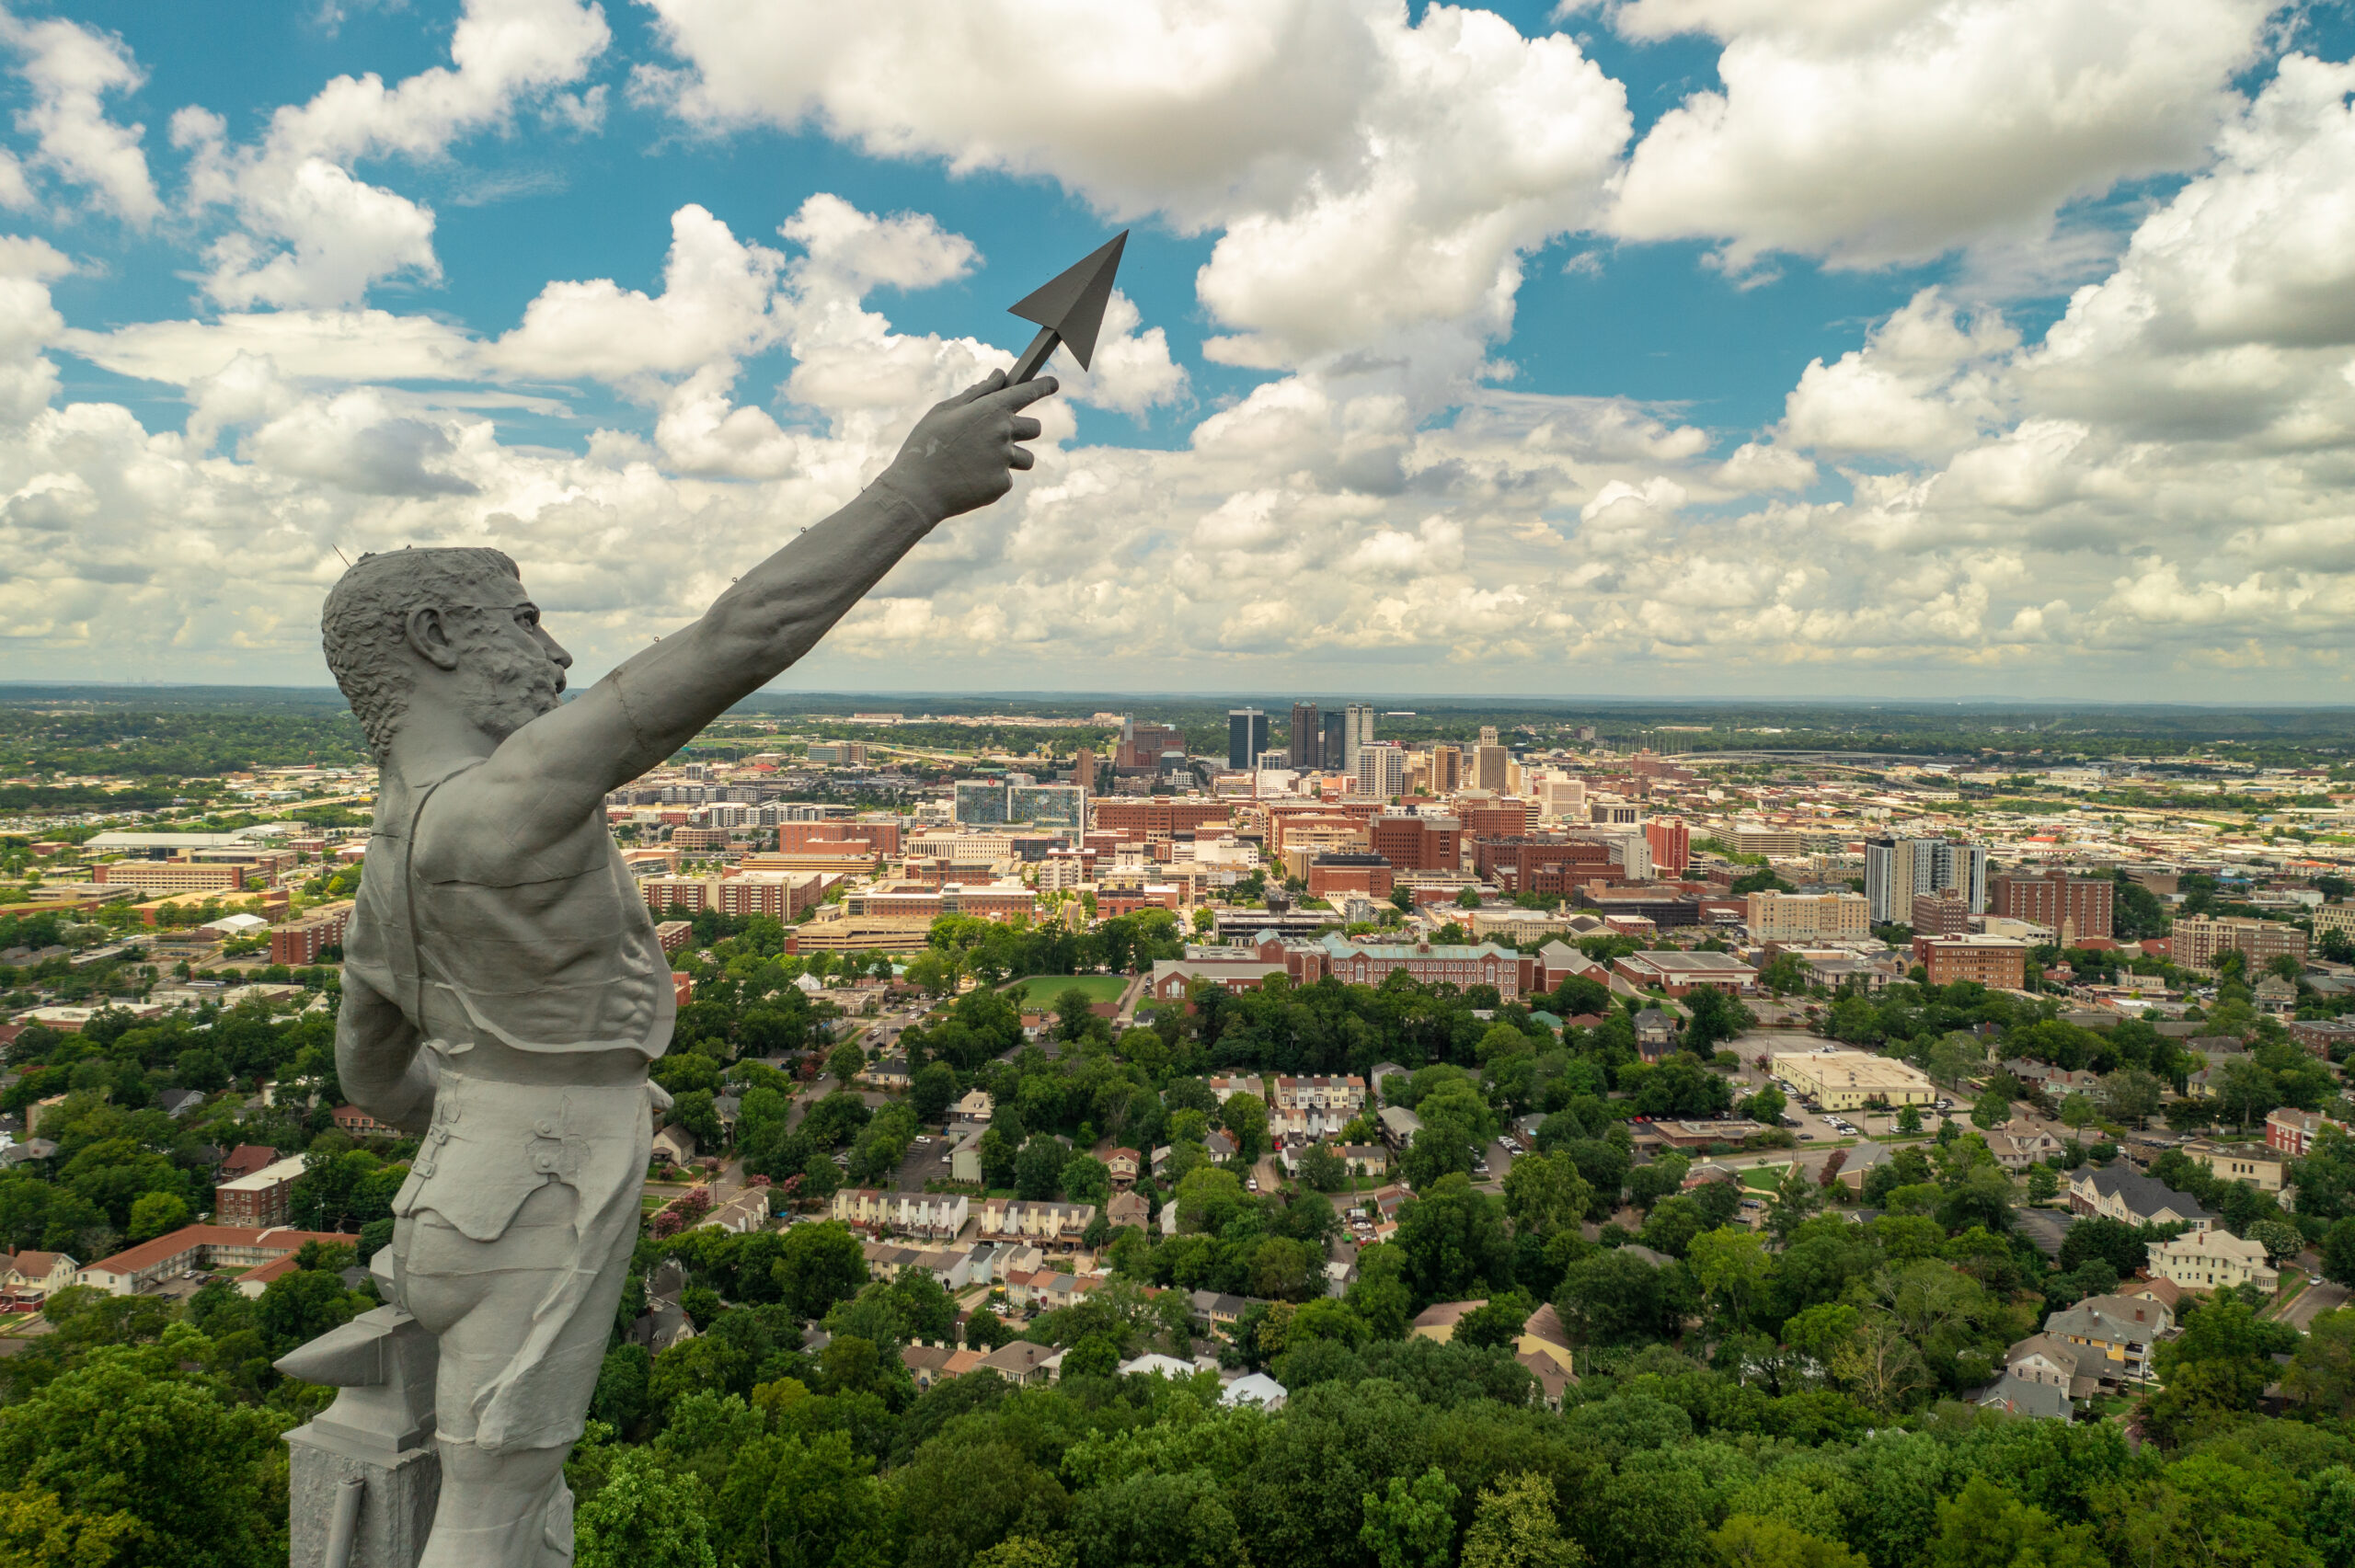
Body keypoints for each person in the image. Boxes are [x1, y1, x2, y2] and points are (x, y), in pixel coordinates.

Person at [320, 368, 1054, 1565]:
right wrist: (915, 486)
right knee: (491, 1514)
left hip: (457, 1196)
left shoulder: (389, 854)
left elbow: (367, 1071)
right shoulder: (505, 800)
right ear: (435, 638)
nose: (555, 649)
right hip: (536, 1197)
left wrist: (506, 1098)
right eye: (523, 619)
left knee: (506, 1497)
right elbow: (738, 636)